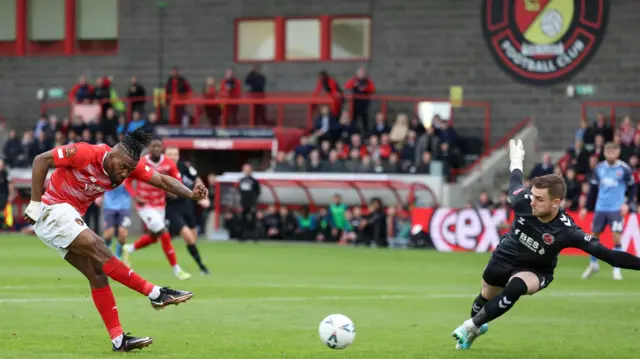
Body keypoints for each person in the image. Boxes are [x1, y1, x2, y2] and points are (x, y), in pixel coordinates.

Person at [23, 128, 208, 352]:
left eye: (129, 171)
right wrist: (34, 204)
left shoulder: (128, 165)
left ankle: (118, 340)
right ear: (111, 156)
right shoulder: (84, 152)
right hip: (52, 209)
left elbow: (161, 180)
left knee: (98, 274)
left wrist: (191, 194)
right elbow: (41, 159)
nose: (124, 174)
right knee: (98, 246)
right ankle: (156, 293)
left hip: (66, 218)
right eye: (122, 168)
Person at [451, 140, 640, 350]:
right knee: (484, 297)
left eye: (539, 199)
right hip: (505, 255)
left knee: (515, 287)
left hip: (536, 270)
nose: (532, 201)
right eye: (532, 195)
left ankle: (470, 325)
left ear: (556, 203)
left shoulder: (567, 231)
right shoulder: (523, 201)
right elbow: (515, 182)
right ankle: (475, 328)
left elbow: (610, 256)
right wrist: (516, 160)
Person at [122, 137, 191, 280]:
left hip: (160, 204)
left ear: (162, 148)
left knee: (154, 238)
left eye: (159, 146)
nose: (156, 149)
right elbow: (127, 181)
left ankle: (129, 248)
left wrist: (175, 190)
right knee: (164, 233)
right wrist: (135, 197)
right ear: (149, 147)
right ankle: (177, 269)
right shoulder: (141, 162)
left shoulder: (168, 163)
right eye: (154, 146)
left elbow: (178, 180)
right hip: (144, 205)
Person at [580, 142, 636, 280]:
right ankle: (593, 264)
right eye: (608, 152)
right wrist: (586, 207)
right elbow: (593, 189)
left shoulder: (624, 169)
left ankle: (617, 269)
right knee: (593, 237)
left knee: (616, 237)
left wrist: (628, 204)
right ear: (604, 152)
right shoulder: (599, 168)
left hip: (616, 209)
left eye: (613, 152)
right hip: (600, 208)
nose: (610, 154)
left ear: (618, 153)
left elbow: (633, 188)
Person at [164, 146, 210, 275]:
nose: (172, 157)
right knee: (188, 237)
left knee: (193, 239)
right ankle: (202, 267)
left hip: (186, 205)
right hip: (171, 208)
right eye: (170, 154)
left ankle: (198, 265)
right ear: (165, 155)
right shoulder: (162, 169)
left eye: (175, 154)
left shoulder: (184, 167)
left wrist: (203, 195)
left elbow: (197, 179)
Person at [100, 183, 132, 259]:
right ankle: (107, 252)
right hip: (109, 206)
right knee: (108, 235)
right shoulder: (108, 172)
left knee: (123, 234)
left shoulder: (129, 173)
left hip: (124, 206)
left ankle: (117, 257)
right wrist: (99, 197)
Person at [238, 163, 261, 242]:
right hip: (243, 204)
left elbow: (257, 192)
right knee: (243, 220)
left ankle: (255, 237)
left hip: (252, 204)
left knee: (253, 220)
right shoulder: (241, 180)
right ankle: (243, 237)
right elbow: (240, 192)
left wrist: (254, 202)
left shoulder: (254, 181)